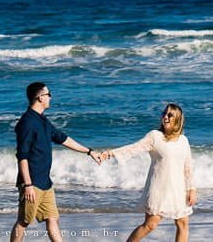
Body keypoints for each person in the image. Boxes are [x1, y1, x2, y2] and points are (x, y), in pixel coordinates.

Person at [11, 81, 103, 242]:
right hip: (32, 183)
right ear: (40, 98)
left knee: (53, 218)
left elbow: (63, 138)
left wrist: (89, 152)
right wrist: (28, 185)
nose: (50, 98)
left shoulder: (43, 120)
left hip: (46, 183)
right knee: (23, 222)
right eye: (48, 95)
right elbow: (22, 156)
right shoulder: (27, 123)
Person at [101, 103, 197, 242]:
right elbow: (134, 148)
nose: (165, 117)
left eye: (170, 115)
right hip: (160, 189)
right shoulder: (155, 136)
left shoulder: (183, 140)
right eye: (164, 113)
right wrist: (110, 153)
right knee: (150, 225)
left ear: (177, 119)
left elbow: (188, 166)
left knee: (182, 224)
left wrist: (192, 189)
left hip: (179, 190)